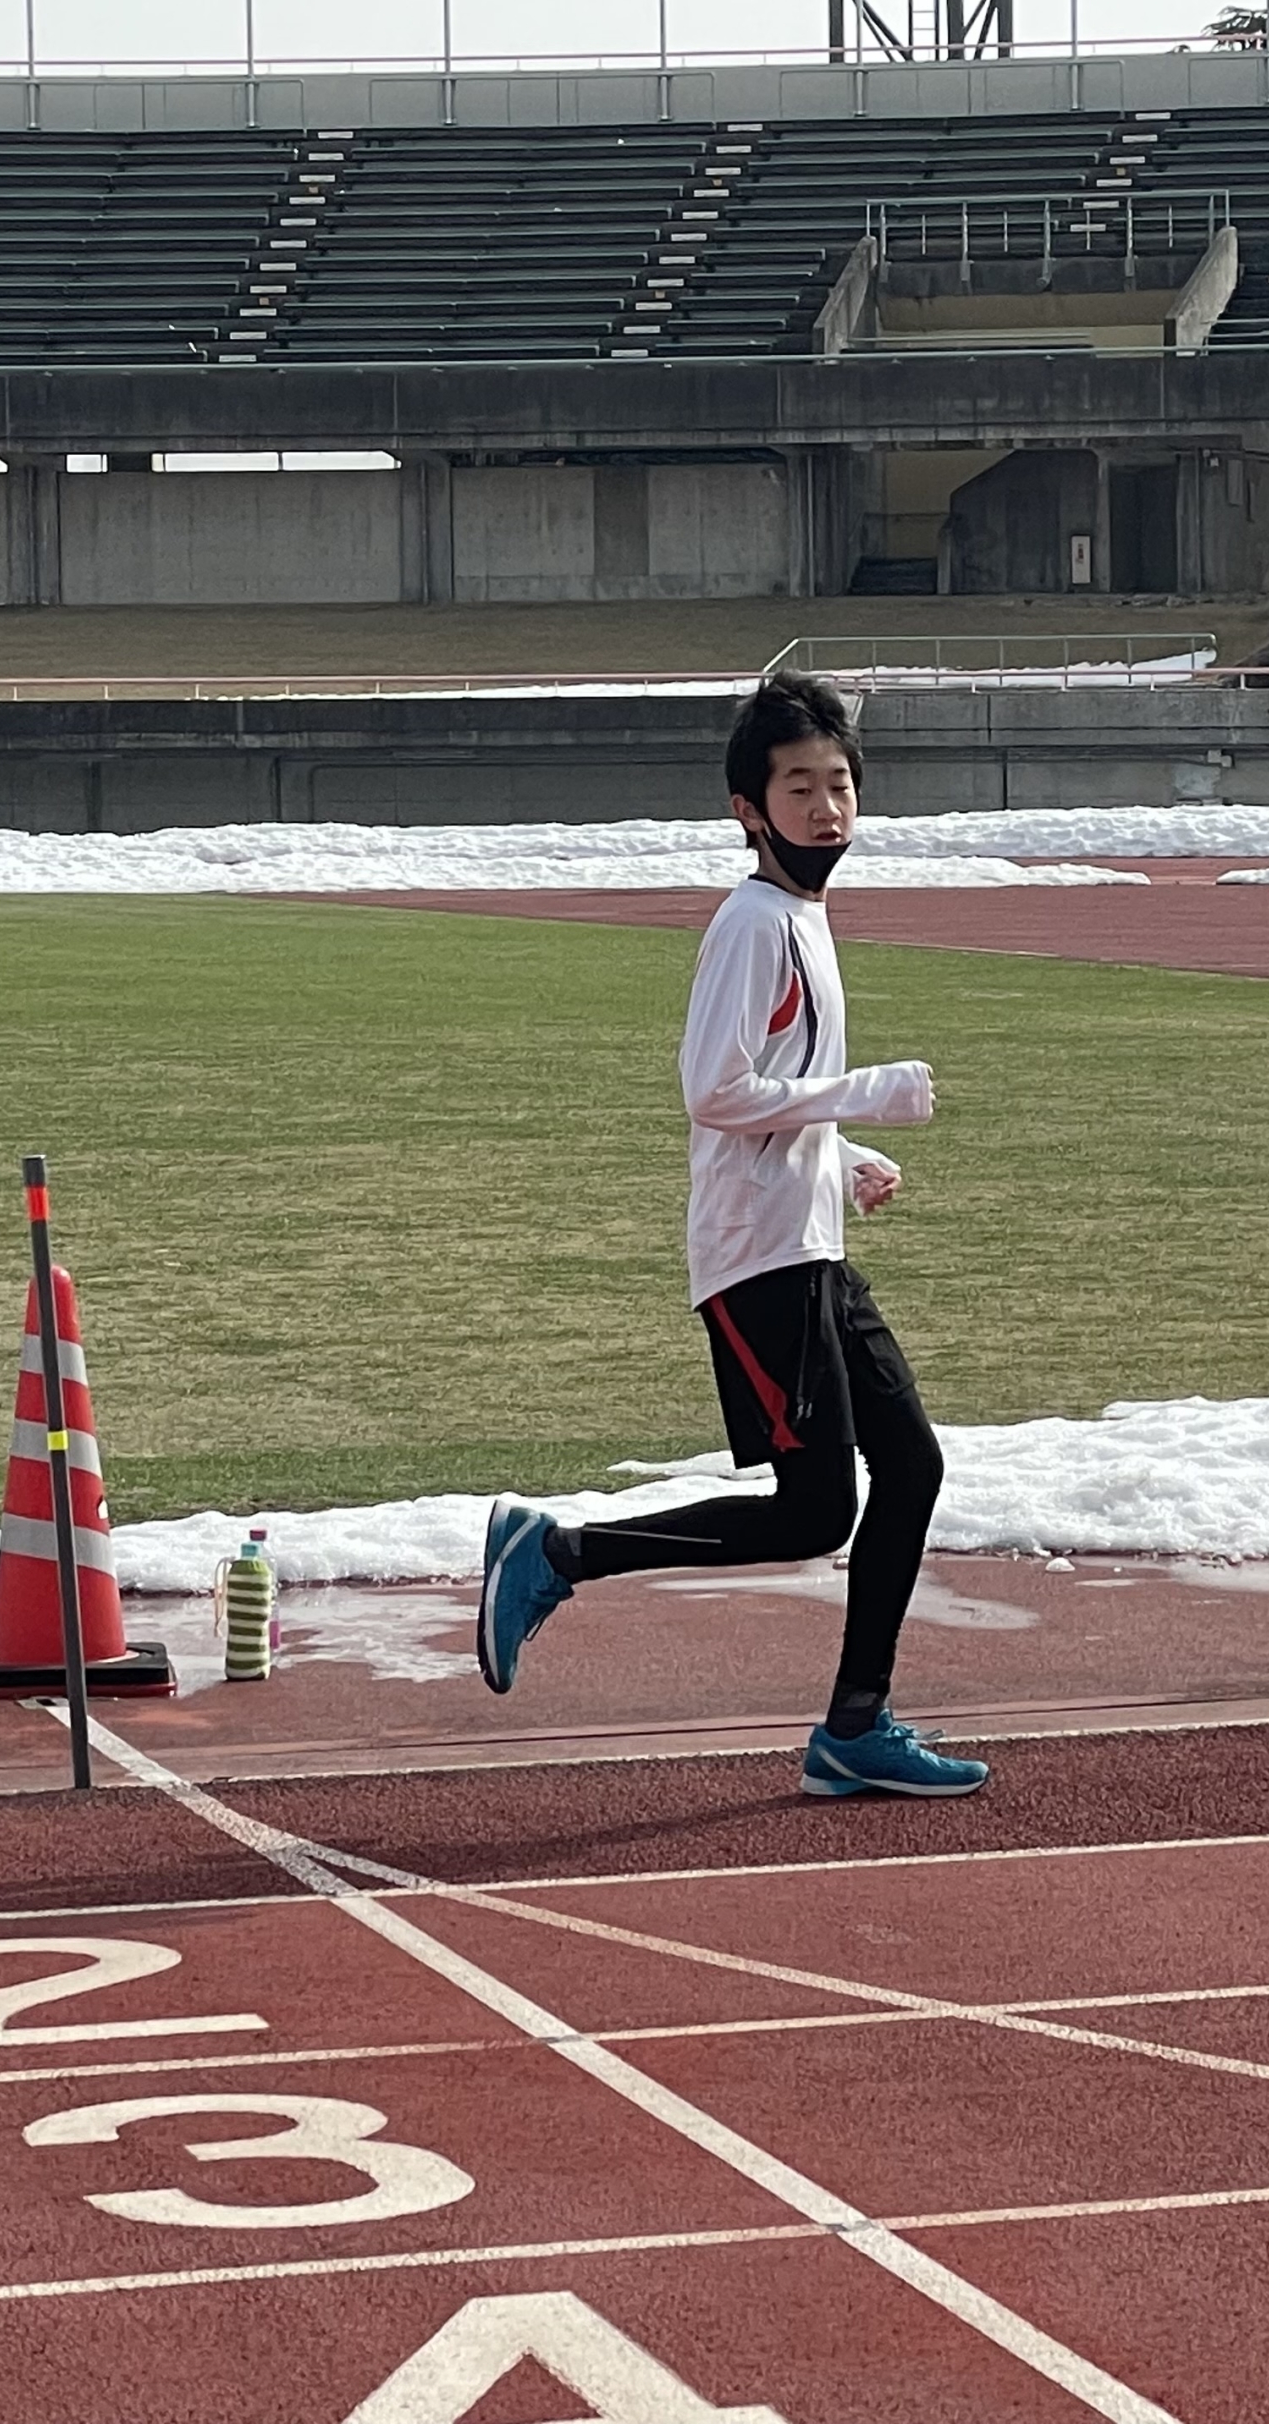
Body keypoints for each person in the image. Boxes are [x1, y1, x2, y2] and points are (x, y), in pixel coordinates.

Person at [475, 673, 988, 1799]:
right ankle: (556, 1554)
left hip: (808, 1243)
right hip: (758, 1258)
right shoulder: (753, 923)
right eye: (798, 785)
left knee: (909, 1465)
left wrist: (841, 1156)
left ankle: (857, 1723)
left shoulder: (803, 918)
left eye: (840, 783)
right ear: (747, 808)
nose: (827, 806)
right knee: (813, 1512)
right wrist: (876, 1091)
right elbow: (715, 1089)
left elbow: (777, 1089)